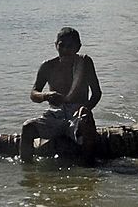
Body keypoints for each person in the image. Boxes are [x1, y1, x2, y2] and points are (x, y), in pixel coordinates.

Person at [20, 27, 101, 163]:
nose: (65, 50)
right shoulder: (47, 66)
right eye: (61, 45)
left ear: (78, 47)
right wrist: (45, 96)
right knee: (27, 127)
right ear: (55, 45)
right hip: (55, 113)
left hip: (78, 113)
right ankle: (27, 172)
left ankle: (89, 171)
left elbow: (97, 93)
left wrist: (87, 108)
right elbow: (34, 94)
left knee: (87, 124)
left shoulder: (85, 62)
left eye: (70, 46)